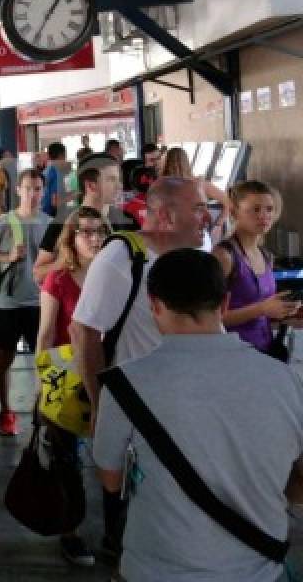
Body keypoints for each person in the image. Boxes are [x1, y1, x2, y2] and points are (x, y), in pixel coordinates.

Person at [93, 249, 303, 582]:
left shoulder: (122, 385)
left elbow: (110, 479)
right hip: (258, 569)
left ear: (155, 305)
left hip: (154, 570)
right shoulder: (287, 380)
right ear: (224, 304)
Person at [69, 176, 211, 563]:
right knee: (128, 502)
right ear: (165, 216)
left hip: (189, 403)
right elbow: (83, 330)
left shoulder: (199, 254)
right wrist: (100, 404)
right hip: (136, 407)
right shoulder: (121, 258)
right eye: (198, 209)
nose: (207, 218)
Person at [35, 207, 110, 567]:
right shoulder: (59, 279)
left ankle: (116, 530)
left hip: (111, 373)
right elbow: (46, 333)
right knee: (67, 458)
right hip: (67, 376)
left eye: (99, 232)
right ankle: (70, 530)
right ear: (71, 237)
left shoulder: (116, 277)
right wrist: (43, 384)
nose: (93, 238)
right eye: (85, 232)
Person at [0, 169, 50, 436]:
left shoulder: (50, 224)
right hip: (8, 302)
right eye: (28, 188)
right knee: (6, 355)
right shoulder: (4, 222)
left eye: (37, 189)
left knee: (44, 360)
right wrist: (6, 257)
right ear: (18, 191)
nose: (33, 194)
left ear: (43, 191)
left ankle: (43, 410)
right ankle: (6, 410)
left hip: (40, 302)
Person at [213, 180, 300, 353]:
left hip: (263, 350)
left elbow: (265, 309)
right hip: (233, 354)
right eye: (255, 209)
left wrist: (285, 309)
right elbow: (210, 319)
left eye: (269, 209)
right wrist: (262, 309)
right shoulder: (224, 256)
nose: (264, 216)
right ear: (234, 212)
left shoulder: (266, 255)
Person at [33, 153, 139, 283]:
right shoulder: (63, 221)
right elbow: (38, 274)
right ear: (90, 185)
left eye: (119, 179)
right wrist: (67, 261)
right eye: (111, 180)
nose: (120, 186)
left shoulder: (128, 220)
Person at [159, 146, 229, 247]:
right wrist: (218, 225)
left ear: (166, 164)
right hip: (198, 238)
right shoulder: (200, 183)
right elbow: (228, 202)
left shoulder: (162, 186)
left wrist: (218, 225)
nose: (176, 167)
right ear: (187, 163)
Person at [42, 142, 67, 217]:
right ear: (61, 156)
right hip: (52, 215)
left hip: (44, 212)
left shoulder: (46, 171)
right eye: (65, 155)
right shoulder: (56, 173)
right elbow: (55, 202)